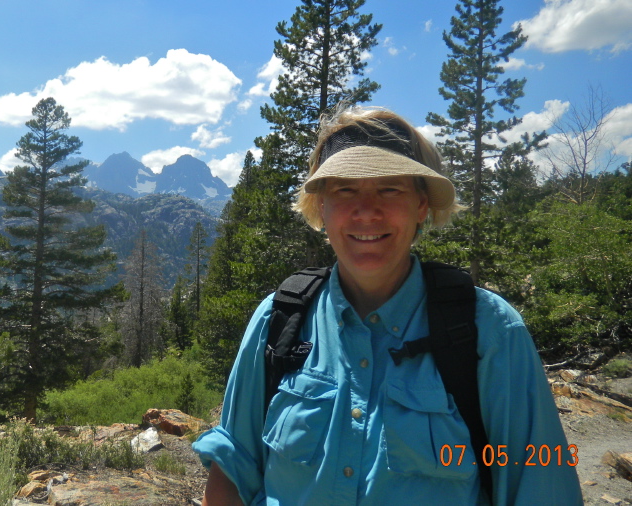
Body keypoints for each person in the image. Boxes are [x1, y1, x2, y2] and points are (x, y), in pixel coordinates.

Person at [192, 106, 583, 505]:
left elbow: (540, 486)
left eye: (390, 189)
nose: (367, 211)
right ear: (321, 207)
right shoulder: (278, 319)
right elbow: (232, 468)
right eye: (345, 189)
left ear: (421, 206)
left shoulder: (491, 331)